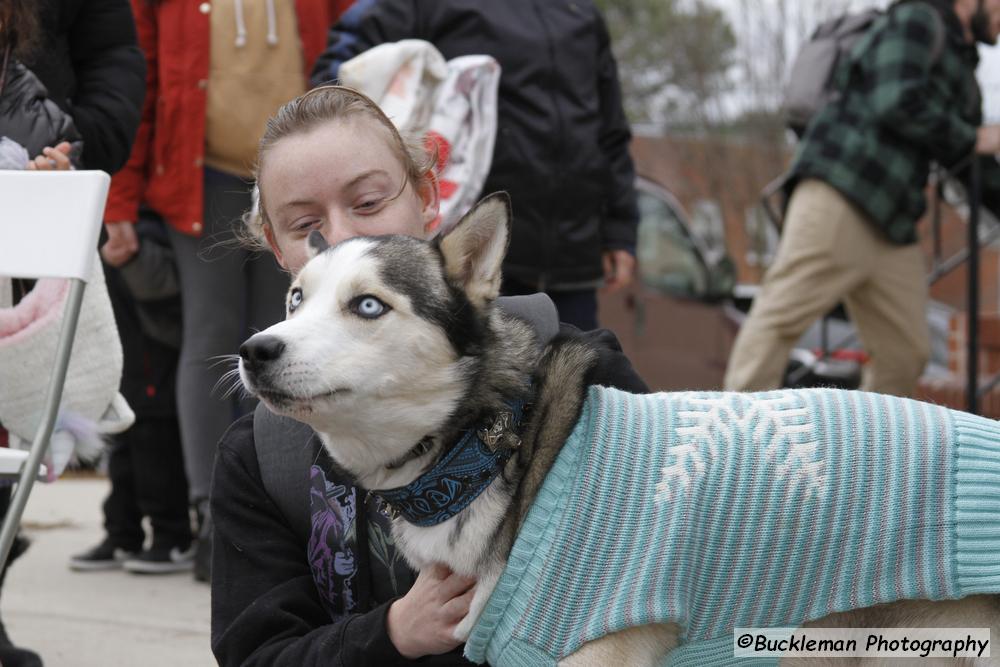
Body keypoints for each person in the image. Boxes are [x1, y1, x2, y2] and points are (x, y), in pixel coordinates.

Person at [210, 85, 648, 665]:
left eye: (367, 203)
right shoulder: (261, 458)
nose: (344, 237)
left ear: (427, 197)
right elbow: (257, 656)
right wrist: (387, 632)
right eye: (305, 222)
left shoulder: (579, 379)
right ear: (275, 245)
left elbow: (678, 572)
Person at [107, 0, 352, 581]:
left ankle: (299, 502)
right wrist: (119, 199)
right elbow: (137, 83)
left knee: (298, 334)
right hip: (202, 179)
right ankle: (214, 514)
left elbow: (354, 50)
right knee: (209, 337)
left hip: (302, 179)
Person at [310, 0, 640, 331]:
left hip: (573, 261)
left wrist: (620, 232)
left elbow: (611, 131)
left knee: (571, 377)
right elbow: (338, 75)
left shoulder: (581, 11)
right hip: (465, 258)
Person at [724, 0, 1000, 396]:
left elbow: (972, 164)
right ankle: (733, 437)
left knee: (905, 352)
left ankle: (868, 448)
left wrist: (973, 143)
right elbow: (895, 99)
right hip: (842, 190)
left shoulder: (962, 67)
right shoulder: (917, 19)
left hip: (892, 222)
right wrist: (974, 136)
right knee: (781, 315)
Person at [68, 211, 194, 574]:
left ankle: (172, 537)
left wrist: (131, 250)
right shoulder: (101, 219)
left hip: (155, 356)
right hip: (120, 358)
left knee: (156, 447)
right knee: (121, 445)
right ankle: (122, 534)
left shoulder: (152, 226)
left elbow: (167, 289)